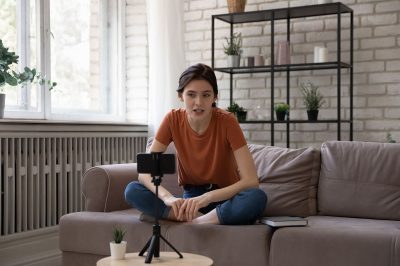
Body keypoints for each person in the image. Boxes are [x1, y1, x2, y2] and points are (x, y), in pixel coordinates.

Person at [124, 63, 267, 225]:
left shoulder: (228, 121)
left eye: (206, 95)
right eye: (191, 95)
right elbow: (144, 173)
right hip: (191, 198)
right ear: (180, 96)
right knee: (132, 190)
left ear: (215, 97)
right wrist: (167, 198)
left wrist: (208, 197)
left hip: (225, 197)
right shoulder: (172, 120)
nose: (198, 102)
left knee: (256, 197)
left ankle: (192, 221)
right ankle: (200, 218)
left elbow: (251, 180)